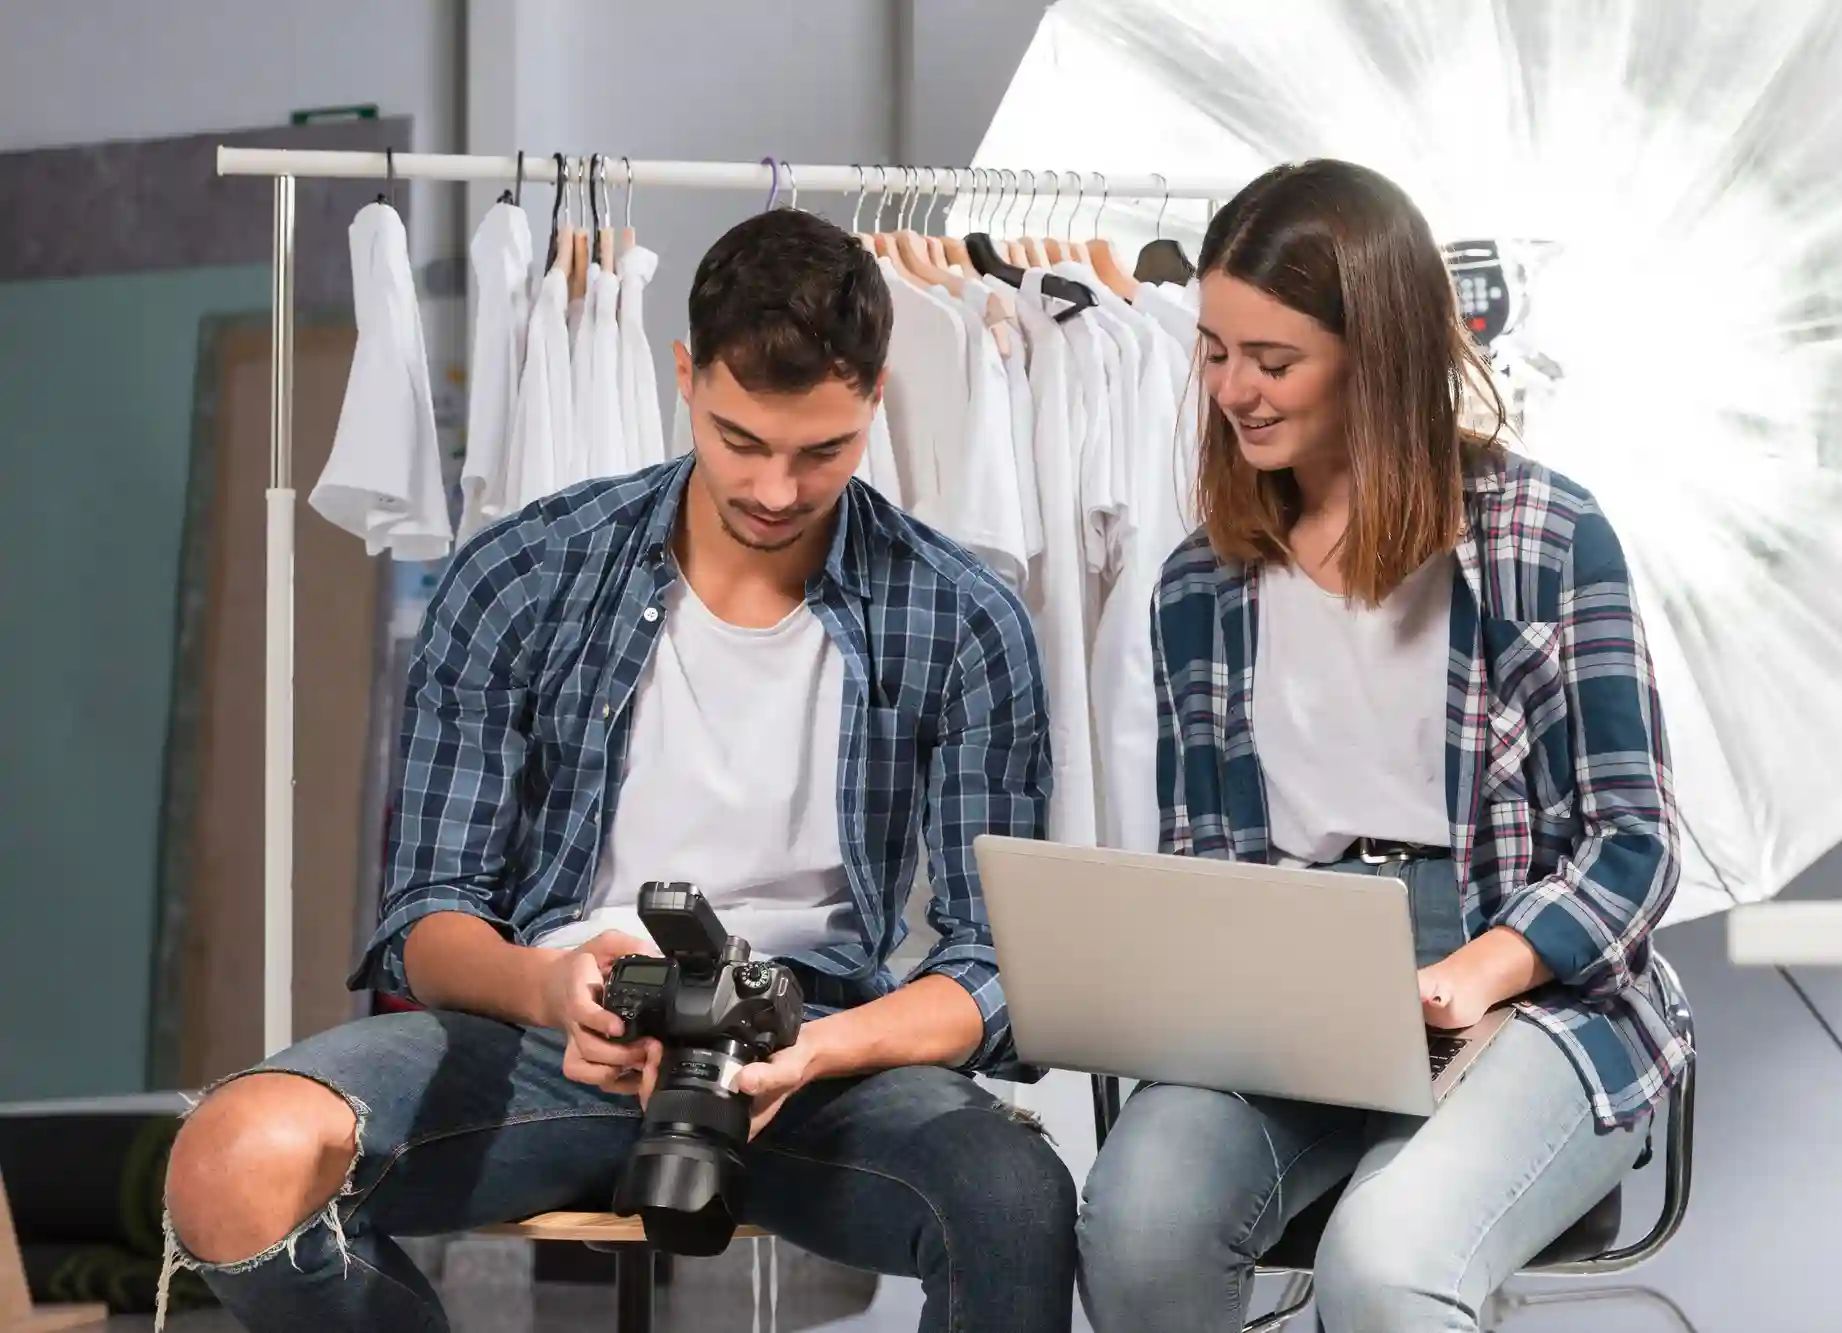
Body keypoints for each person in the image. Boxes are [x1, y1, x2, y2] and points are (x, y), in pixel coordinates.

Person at [160, 208, 1077, 1333]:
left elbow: (994, 970)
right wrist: (551, 988)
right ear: (684, 375)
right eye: (741, 439)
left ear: (874, 400)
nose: (778, 490)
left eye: (820, 451)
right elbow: (427, 918)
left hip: (812, 1061)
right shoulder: (524, 572)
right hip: (545, 1041)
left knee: (1013, 1198)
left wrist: (816, 1046)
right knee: (230, 1165)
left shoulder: (960, 617)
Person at [1076, 159, 1694, 1332]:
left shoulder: (1545, 537)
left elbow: (1633, 840)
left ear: (1378, 351)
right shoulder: (1197, 586)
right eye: (1213, 352)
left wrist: (1481, 967)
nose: (1231, 391)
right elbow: (1209, 861)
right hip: (1292, 985)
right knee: (1138, 1226)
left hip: (1525, 990)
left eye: (1273, 360)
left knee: (1381, 1262)